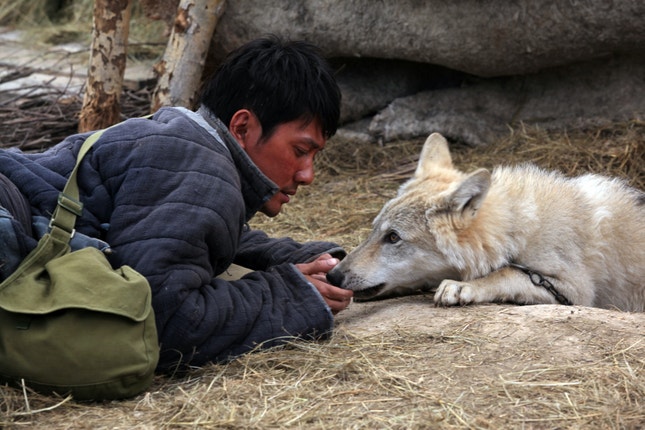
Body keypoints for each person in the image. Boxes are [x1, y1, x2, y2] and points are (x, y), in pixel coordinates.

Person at [0, 36, 354, 372]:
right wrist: (290, 296)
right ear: (243, 127)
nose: (307, 174)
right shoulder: (202, 169)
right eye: (300, 151)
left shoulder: (185, 142)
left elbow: (188, 233)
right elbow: (164, 319)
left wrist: (295, 258)